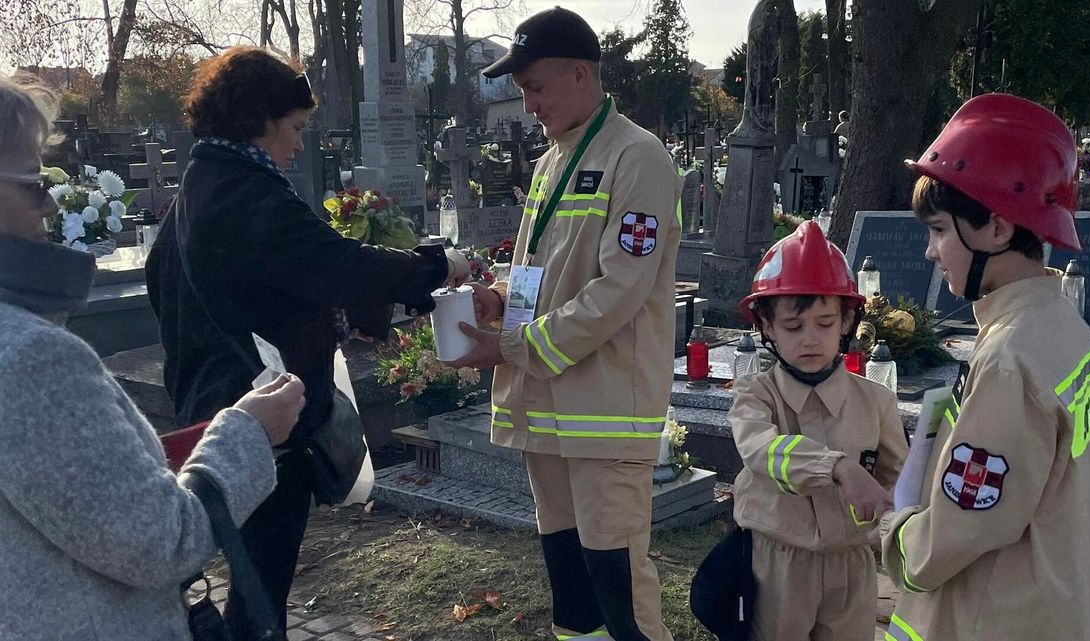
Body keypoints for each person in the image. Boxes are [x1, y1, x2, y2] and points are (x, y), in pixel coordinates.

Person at [145, 47, 469, 638]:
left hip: (212, 407)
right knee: (261, 595)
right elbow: (335, 263)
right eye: (294, 128)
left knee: (254, 580)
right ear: (260, 119)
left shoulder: (201, 185)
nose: (297, 144)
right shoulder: (248, 195)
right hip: (266, 420)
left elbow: (273, 278)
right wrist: (435, 267)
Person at [0, 72, 306, 641]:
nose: (48, 205)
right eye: (34, 183)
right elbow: (162, 541)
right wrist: (246, 430)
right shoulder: (31, 359)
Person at [446, 7, 682, 641]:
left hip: (604, 414)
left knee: (619, 592)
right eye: (521, 90)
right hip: (547, 408)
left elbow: (619, 290)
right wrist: (500, 300)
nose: (526, 104)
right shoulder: (555, 161)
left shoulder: (639, 158)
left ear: (580, 74)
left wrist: (513, 342)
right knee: (572, 596)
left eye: (534, 87)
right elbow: (544, 268)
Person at [879, 93, 1090, 640]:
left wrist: (894, 530)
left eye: (939, 229)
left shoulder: (1011, 361)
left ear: (995, 228)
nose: (930, 250)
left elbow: (954, 534)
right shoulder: (1061, 327)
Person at [730, 220, 907, 641]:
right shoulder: (756, 396)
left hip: (852, 563)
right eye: (793, 327)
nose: (811, 339)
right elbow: (761, 450)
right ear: (767, 327)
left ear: (848, 322)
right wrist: (839, 468)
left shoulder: (875, 401)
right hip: (778, 561)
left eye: (825, 324)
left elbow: (900, 482)